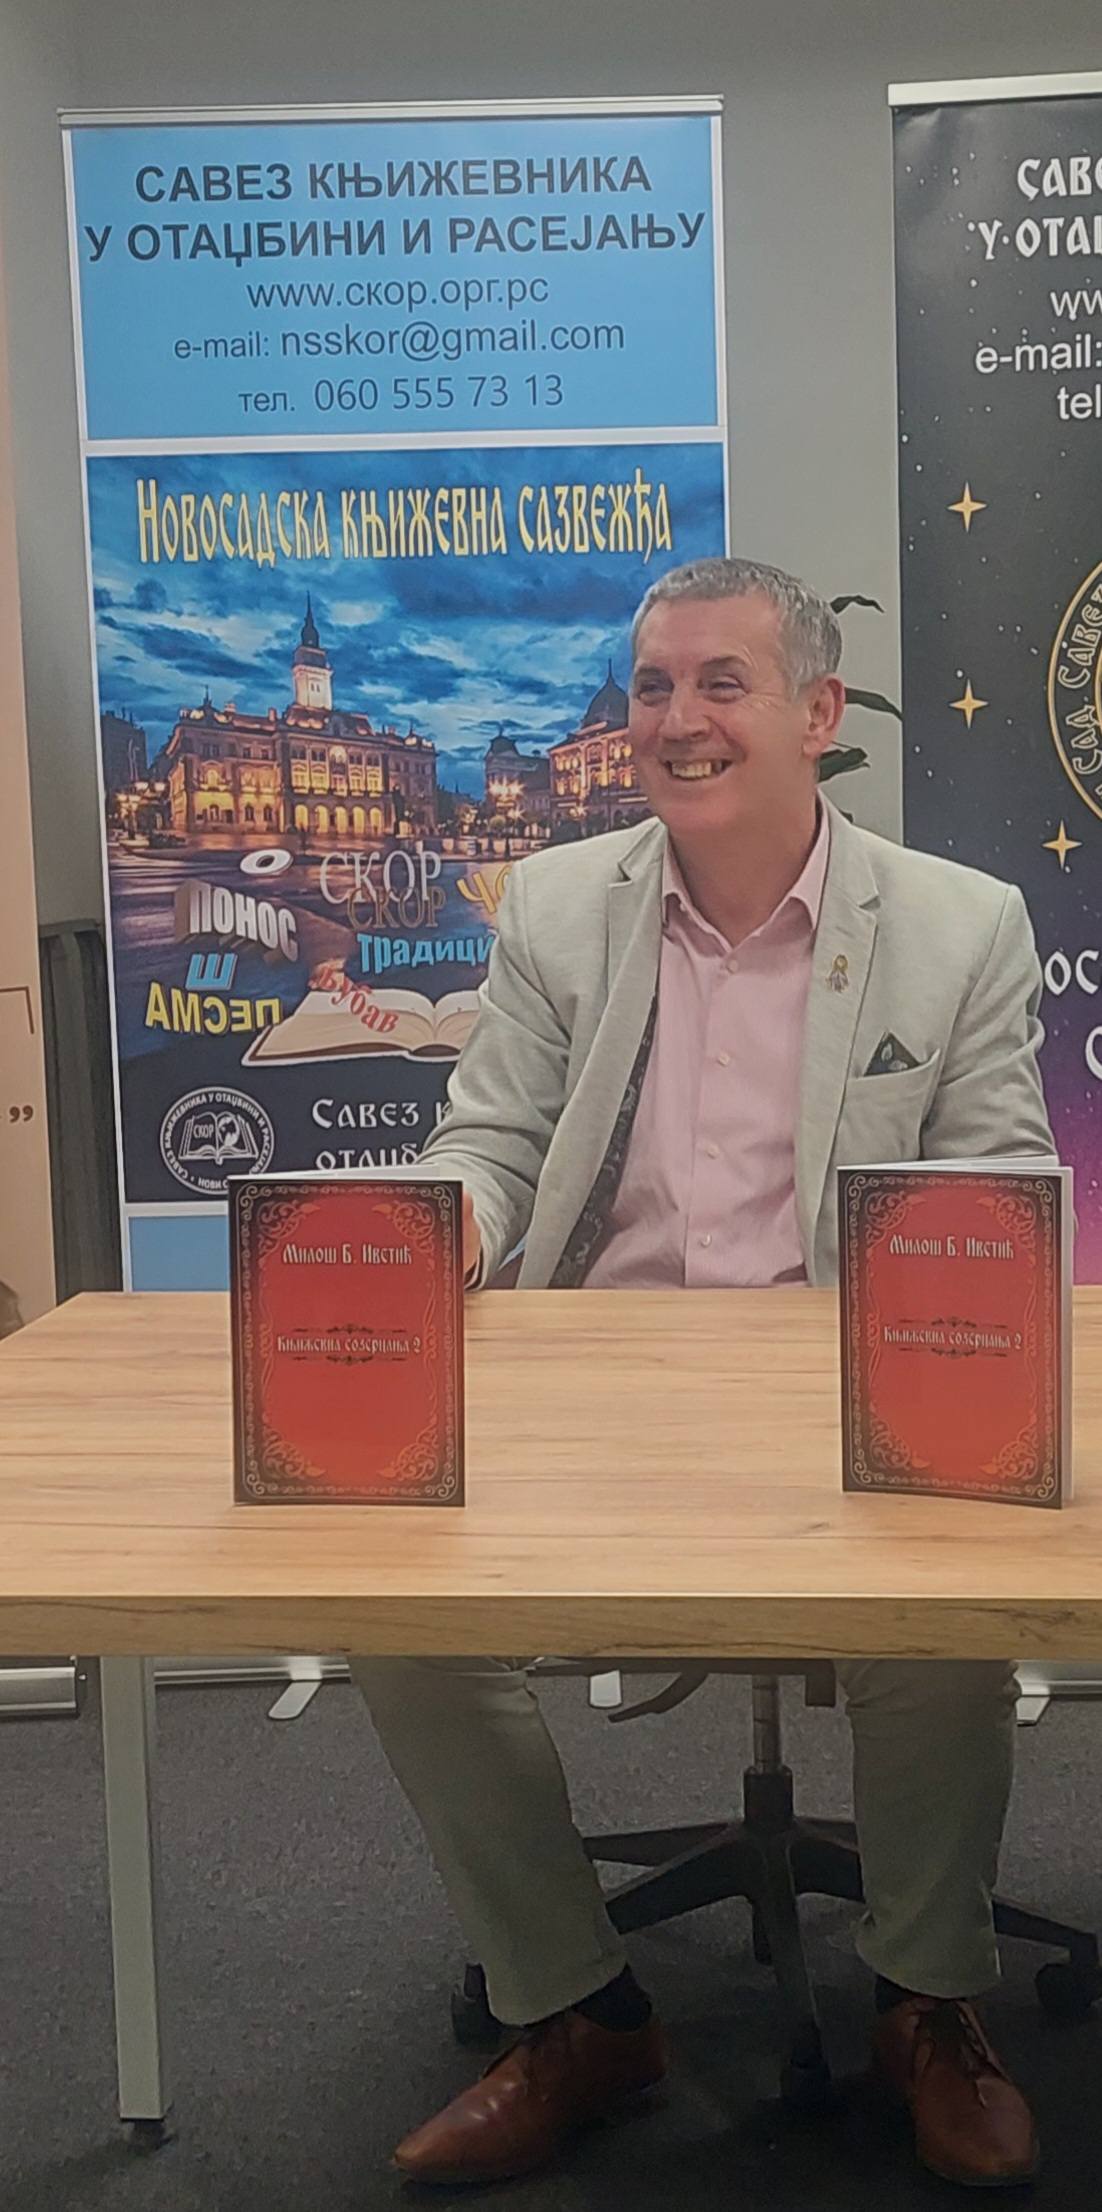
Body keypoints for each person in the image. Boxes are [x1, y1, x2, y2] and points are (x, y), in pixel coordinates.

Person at [352, 556, 1054, 2191]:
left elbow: (992, 1185)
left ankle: (926, 1999)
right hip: (594, 1395)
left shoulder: (957, 927)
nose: (677, 719)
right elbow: (490, 1140)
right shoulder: (553, 907)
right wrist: (441, 1233)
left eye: (720, 683)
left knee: (947, 1611)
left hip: (843, 1400)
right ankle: (573, 2010)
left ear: (815, 712)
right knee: (390, 1606)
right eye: (654, 685)